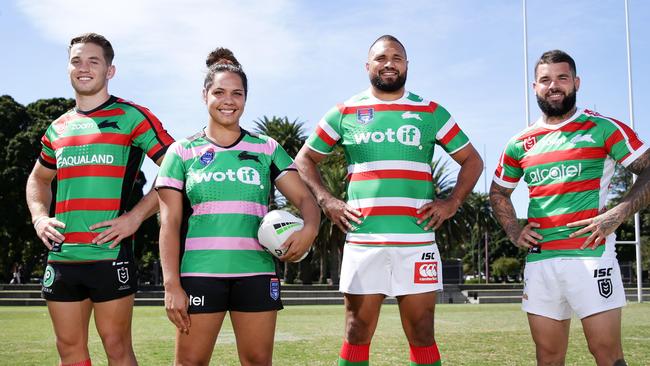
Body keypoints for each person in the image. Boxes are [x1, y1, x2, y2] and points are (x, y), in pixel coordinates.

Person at [295, 35, 483, 366]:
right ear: (367, 66)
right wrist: (328, 201)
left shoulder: (430, 112)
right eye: (381, 58)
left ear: (407, 65)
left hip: (418, 240)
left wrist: (451, 202)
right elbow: (304, 159)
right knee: (356, 329)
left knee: (423, 332)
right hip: (364, 240)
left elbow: (473, 160)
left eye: (397, 57)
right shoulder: (345, 112)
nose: (389, 63)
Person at [156, 52, 320, 366]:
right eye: (219, 92)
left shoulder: (266, 148)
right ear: (204, 95)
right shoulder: (182, 151)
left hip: (256, 272)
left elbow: (306, 200)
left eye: (237, 93)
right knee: (190, 363)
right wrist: (172, 284)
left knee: (258, 361)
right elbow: (169, 223)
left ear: (245, 98)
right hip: (200, 273)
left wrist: (310, 229)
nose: (228, 100)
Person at [490, 50, 650, 366]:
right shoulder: (520, 142)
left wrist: (615, 215)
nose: (554, 86)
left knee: (606, 354)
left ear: (575, 82)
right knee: (548, 357)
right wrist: (513, 229)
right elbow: (498, 192)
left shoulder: (602, 128)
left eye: (562, 78)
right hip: (541, 261)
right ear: (534, 86)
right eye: (546, 80)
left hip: (590, 256)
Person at [25, 32, 174, 366]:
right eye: (77, 60)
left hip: (110, 254)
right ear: (68, 68)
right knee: (68, 348)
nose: (84, 67)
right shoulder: (58, 128)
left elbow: (176, 168)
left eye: (94, 60)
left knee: (116, 348)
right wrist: (39, 217)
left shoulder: (133, 117)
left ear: (110, 70)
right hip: (62, 256)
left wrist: (135, 217)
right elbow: (38, 178)